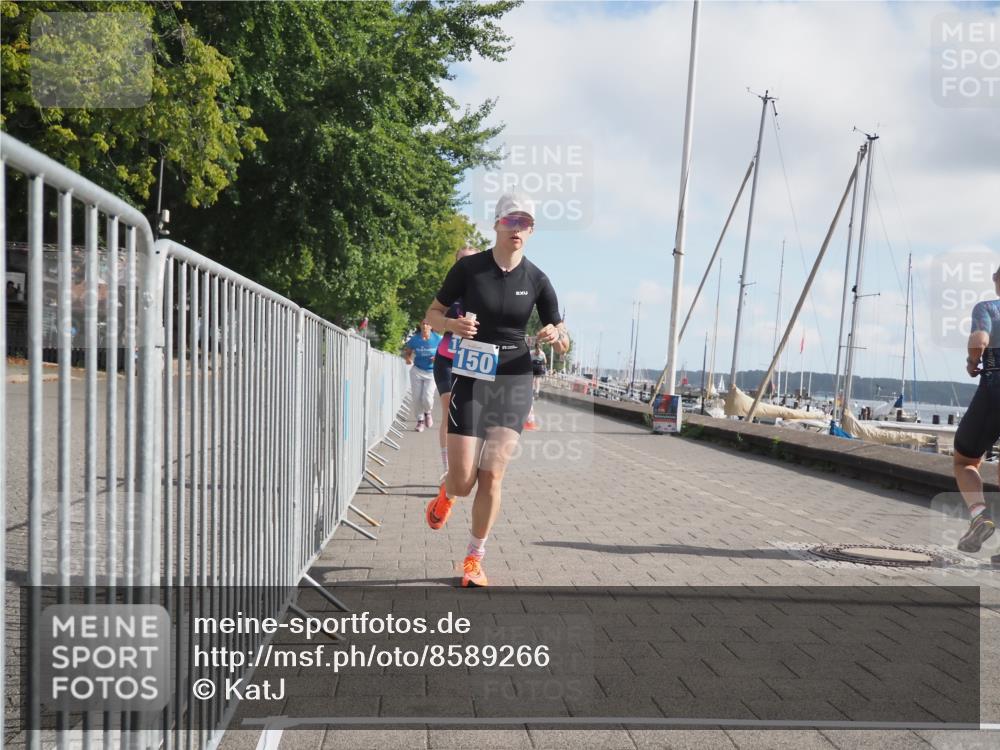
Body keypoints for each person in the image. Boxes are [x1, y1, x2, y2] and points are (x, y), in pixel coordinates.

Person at [423, 193, 569, 587]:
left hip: (514, 379)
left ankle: (474, 558)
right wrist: (451, 327)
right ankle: (446, 492)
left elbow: (563, 337)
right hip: (471, 376)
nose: (517, 228)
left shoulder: (538, 279)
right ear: (497, 224)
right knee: (463, 482)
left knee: (492, 475)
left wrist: (555, 333)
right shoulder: (470, 269)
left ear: (532, 230)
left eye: (525, 223)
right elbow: (432, 314)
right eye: (511, 221)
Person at [953, 266, 1000, 562]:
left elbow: (979, 340)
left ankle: (979, 516)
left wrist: (973, 362)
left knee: (965, 461)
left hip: (994, 395)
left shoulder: (988, 308)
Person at [433, 245, 481, 477]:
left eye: (470, 261)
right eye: (461, 261)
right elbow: (432, 318)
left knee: (469, 415)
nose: (465, 266)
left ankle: (465, 465)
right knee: (449, 408)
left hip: (472, 362)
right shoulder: (449, 292)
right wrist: (451, 324)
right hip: (446, 360)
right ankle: (447, 468)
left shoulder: (484, 294)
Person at [403, 320, 442, 432]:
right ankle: (420, 421)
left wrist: (437, 359)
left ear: (431, 326)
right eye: (423, 324)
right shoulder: (415, 339)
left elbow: (443, 353)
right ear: (420, 326)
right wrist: (408, 358)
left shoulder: (438, 339)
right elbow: (408, 351)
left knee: (427, 397)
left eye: (427, 324)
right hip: (417, 370)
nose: (425, 325)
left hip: (432, 372)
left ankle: (428, 412)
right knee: (416, 397)